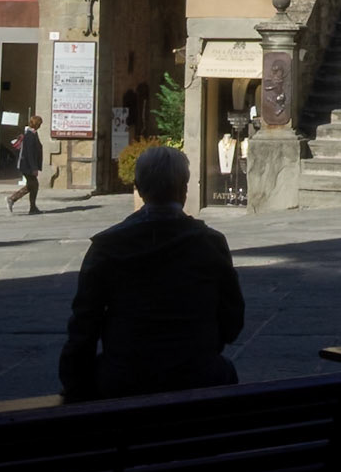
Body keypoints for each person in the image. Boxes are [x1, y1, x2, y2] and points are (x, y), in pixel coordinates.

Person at [58, 145, 244, 400]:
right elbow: (233, 323)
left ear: (139, 187)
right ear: (184, 188)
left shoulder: (107, 248)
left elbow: (83, 326)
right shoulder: (211, 244)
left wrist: (75, 384)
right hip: (198, 380)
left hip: (125, 381)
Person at [6, 113, 45, 214]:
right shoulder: (30, 135)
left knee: (32, 185)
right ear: (37, 124)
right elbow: (30, 153)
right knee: (34, 185)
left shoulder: (32, 134)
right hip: (27, 165)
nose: (40, 125)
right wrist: (34, 168)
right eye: (39, 123)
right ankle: (13, 199)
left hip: (27, 165)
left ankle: (31, 207)